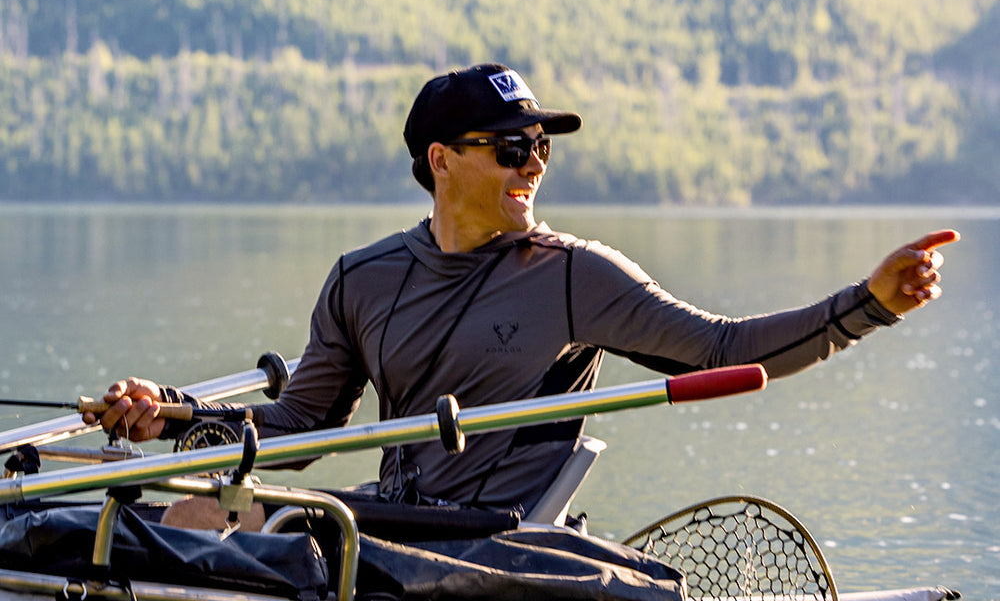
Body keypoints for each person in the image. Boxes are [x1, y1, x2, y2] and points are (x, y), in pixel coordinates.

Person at [85, 63, 959, 514]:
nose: (533, 162)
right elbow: (298, 432)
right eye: (511, 146)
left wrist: (870, 303)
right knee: (195, 515)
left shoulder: (575, 275)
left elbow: (724, 349)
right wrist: (170, 416)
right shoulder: (361, 279)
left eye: (541, 146)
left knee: (219, 529)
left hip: (496, 546)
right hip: (388, 527)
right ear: (442, 161)